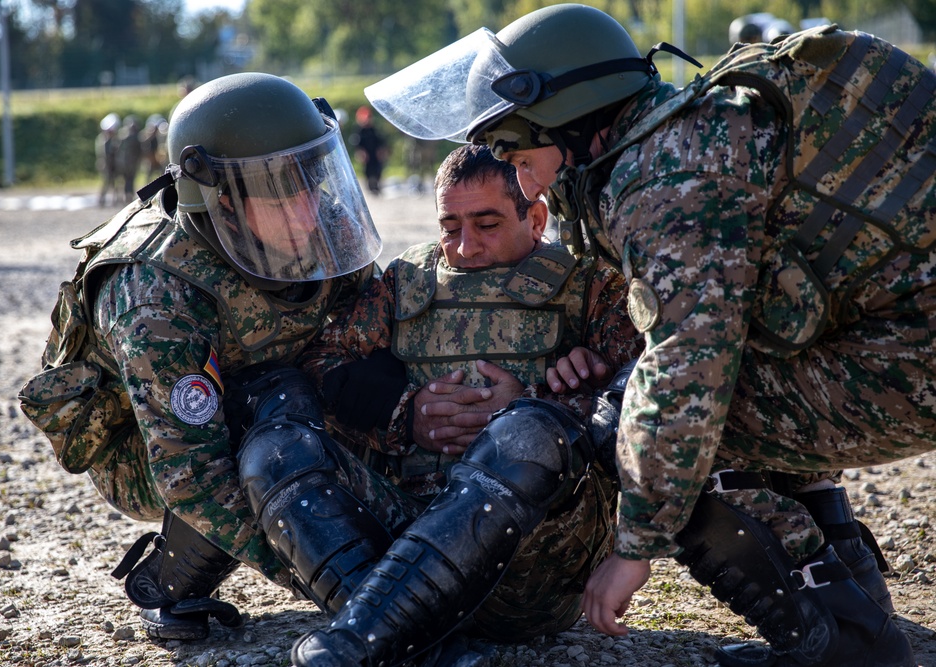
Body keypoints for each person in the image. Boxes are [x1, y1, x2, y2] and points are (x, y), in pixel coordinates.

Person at [364, 4, 936, 667]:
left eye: (515, 148)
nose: (511, 167)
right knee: (685, 395)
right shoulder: (680, 133)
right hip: (900, 343)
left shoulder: (667, 174)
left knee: (644, 418)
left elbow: (685, 371)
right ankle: (853, 612)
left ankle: (846, 645)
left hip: (912, 362)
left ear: (569, 120)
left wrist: (633, 549)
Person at [238, 143, 641, 666]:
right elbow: (321, 366)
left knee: (529, 433)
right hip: (395, 553)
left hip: (531, 563)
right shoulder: (407, 281)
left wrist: (548, 401)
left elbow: (649, 398)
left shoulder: (588, 285)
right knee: (275, 449)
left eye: (487, 224)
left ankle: (361, 641)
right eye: (450, 227)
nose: (465, 247)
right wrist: (406, 415)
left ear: (536, 218)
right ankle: (404, 642)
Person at [18, 72, 382, 642]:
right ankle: (169, 577)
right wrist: (340, 576)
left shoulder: (320, 221)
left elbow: (380, 324)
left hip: (280, 392)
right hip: (151, 446)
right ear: (223, 202)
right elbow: (192, 476)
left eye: (311, 176)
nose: (310, 207)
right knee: (264, 413)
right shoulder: (153, 293)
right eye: (281, 188)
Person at [349, 105, 388, 195]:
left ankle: (377, 185)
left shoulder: (374, 129)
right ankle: (371, 186)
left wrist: (382, 150)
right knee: (368, 171)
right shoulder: (359, 130)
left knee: (378, 169)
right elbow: (356, 143)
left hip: (375, 153)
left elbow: (381, 140)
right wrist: (360, 152)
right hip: (367, 155)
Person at [95, 112, 121, 207]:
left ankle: (116, 200)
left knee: (115, 183)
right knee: (106, 183)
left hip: (112, 164)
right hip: (106, 164)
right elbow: (105, 154)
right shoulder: (103, 140)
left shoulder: (112, 140)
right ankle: (101, 200)